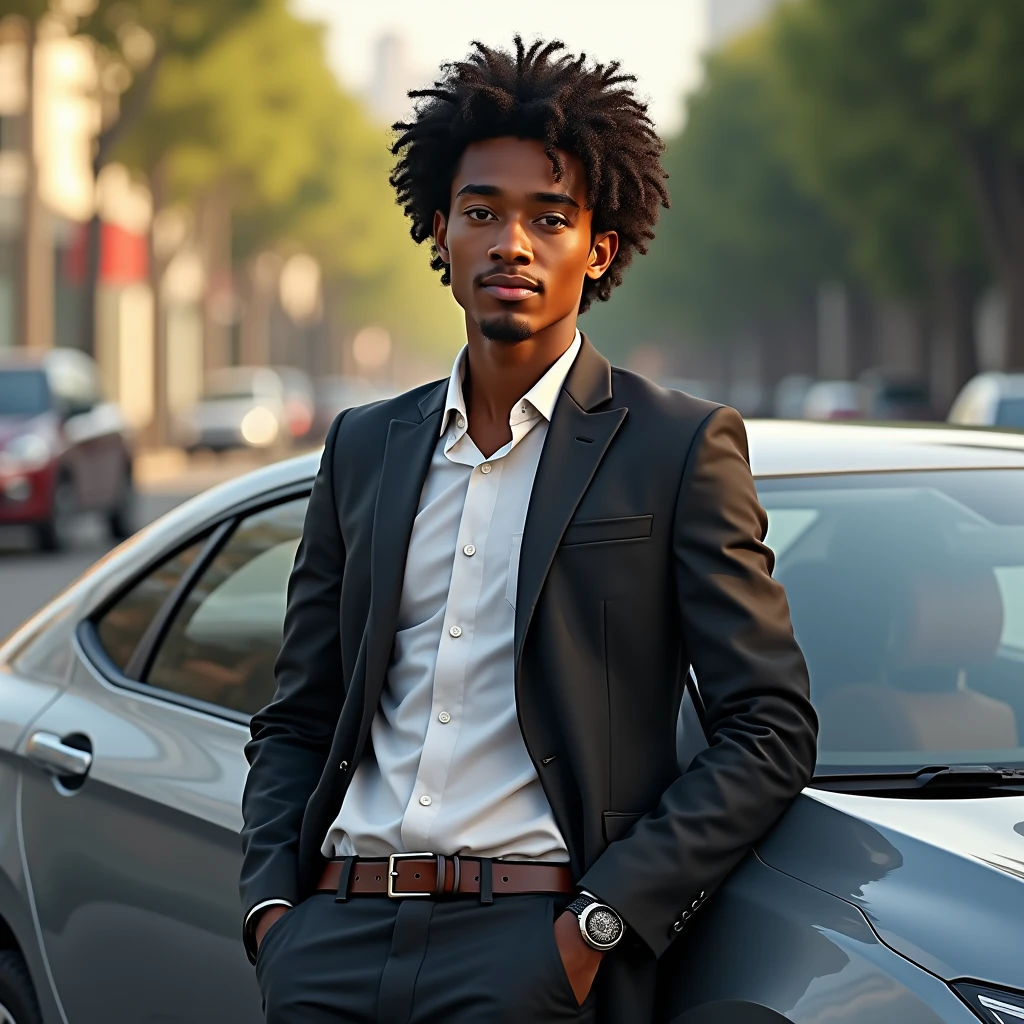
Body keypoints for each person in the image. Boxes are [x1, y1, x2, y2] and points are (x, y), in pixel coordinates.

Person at [240, 36, 818, 1024]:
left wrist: (598, 924)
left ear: (596, 247)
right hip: (330, 940)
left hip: (528, 953)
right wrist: (271, 910)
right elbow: (300, 711)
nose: (511, 242)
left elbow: (768, 725)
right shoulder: (365, 448)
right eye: (482, 212)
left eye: (548, 218)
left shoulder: (676, 448)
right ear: (441, 230)